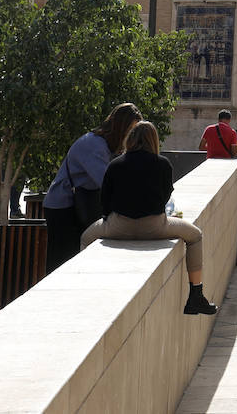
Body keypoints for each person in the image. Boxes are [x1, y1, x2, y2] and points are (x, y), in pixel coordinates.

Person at [80, 122, 219, 315]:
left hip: (118, 227)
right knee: (195, 236)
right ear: (153, 140)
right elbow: (165, 197)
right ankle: (196, 296)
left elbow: (105, 200)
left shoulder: (115, 164)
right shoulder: (163, 164)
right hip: (155, 227)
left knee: (85, 238)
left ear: (130, 139)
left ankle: (87, 291)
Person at [42, 103, 143, 272]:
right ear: (121, 127)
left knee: (71, 257)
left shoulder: (103, 146)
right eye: (130, 130)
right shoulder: (94, 145)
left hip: (73, 204)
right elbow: (108, 183)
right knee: (61, 261)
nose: (131, 136)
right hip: (62, 207)